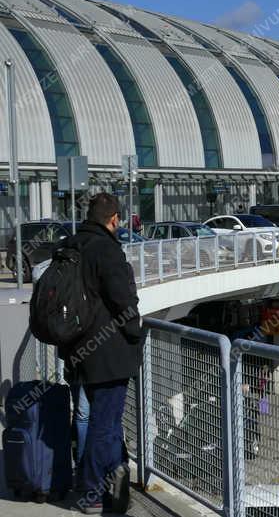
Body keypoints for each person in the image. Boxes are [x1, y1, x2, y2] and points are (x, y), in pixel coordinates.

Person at [59, 193, 145, 514]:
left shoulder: (72, 245)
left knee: (98, 419)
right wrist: (136, 332)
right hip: (106, 355)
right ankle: (93, 490)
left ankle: (113, 477)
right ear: (113, 220)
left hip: (76, 349)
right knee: (103, 423)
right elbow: (122, 299)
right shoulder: (106, 250)